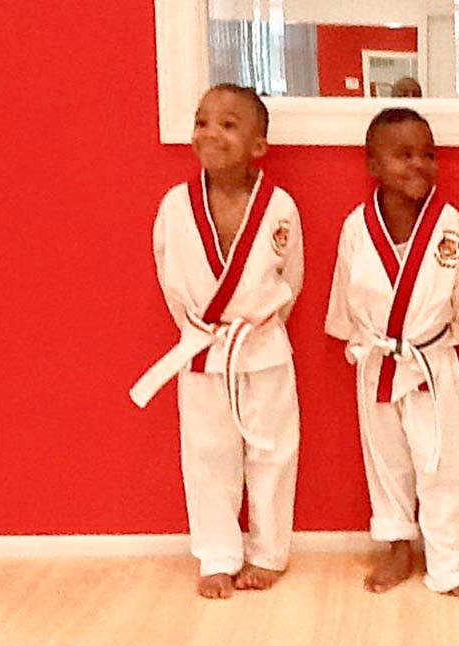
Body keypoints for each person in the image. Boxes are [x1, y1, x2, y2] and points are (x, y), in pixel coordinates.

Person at [130, 84, 304, 599]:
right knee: (208, 456)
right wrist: (201, 328)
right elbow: (167, 272)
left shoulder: (280, 206)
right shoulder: (175, 206)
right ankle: (218, 554)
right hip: (203, 349)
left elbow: (290, 278)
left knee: (273, 453)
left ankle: (269, 553)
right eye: (202, 121)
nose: (210, 133)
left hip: (264, 347)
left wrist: (255, 327)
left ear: (259, 146)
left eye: (228, 124)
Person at [324, 108, 459, 602]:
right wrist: (355, 337)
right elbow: (343, 294)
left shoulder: (451, 225)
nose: (419, 164)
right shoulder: (357, 227)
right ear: (372, 165)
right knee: (387, 459)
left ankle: (452, 561)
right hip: (377, 358)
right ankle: (398, 544)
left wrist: (451, 337)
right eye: (404, 155)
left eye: (428, 155)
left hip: (432, 360)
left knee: (446, 460)